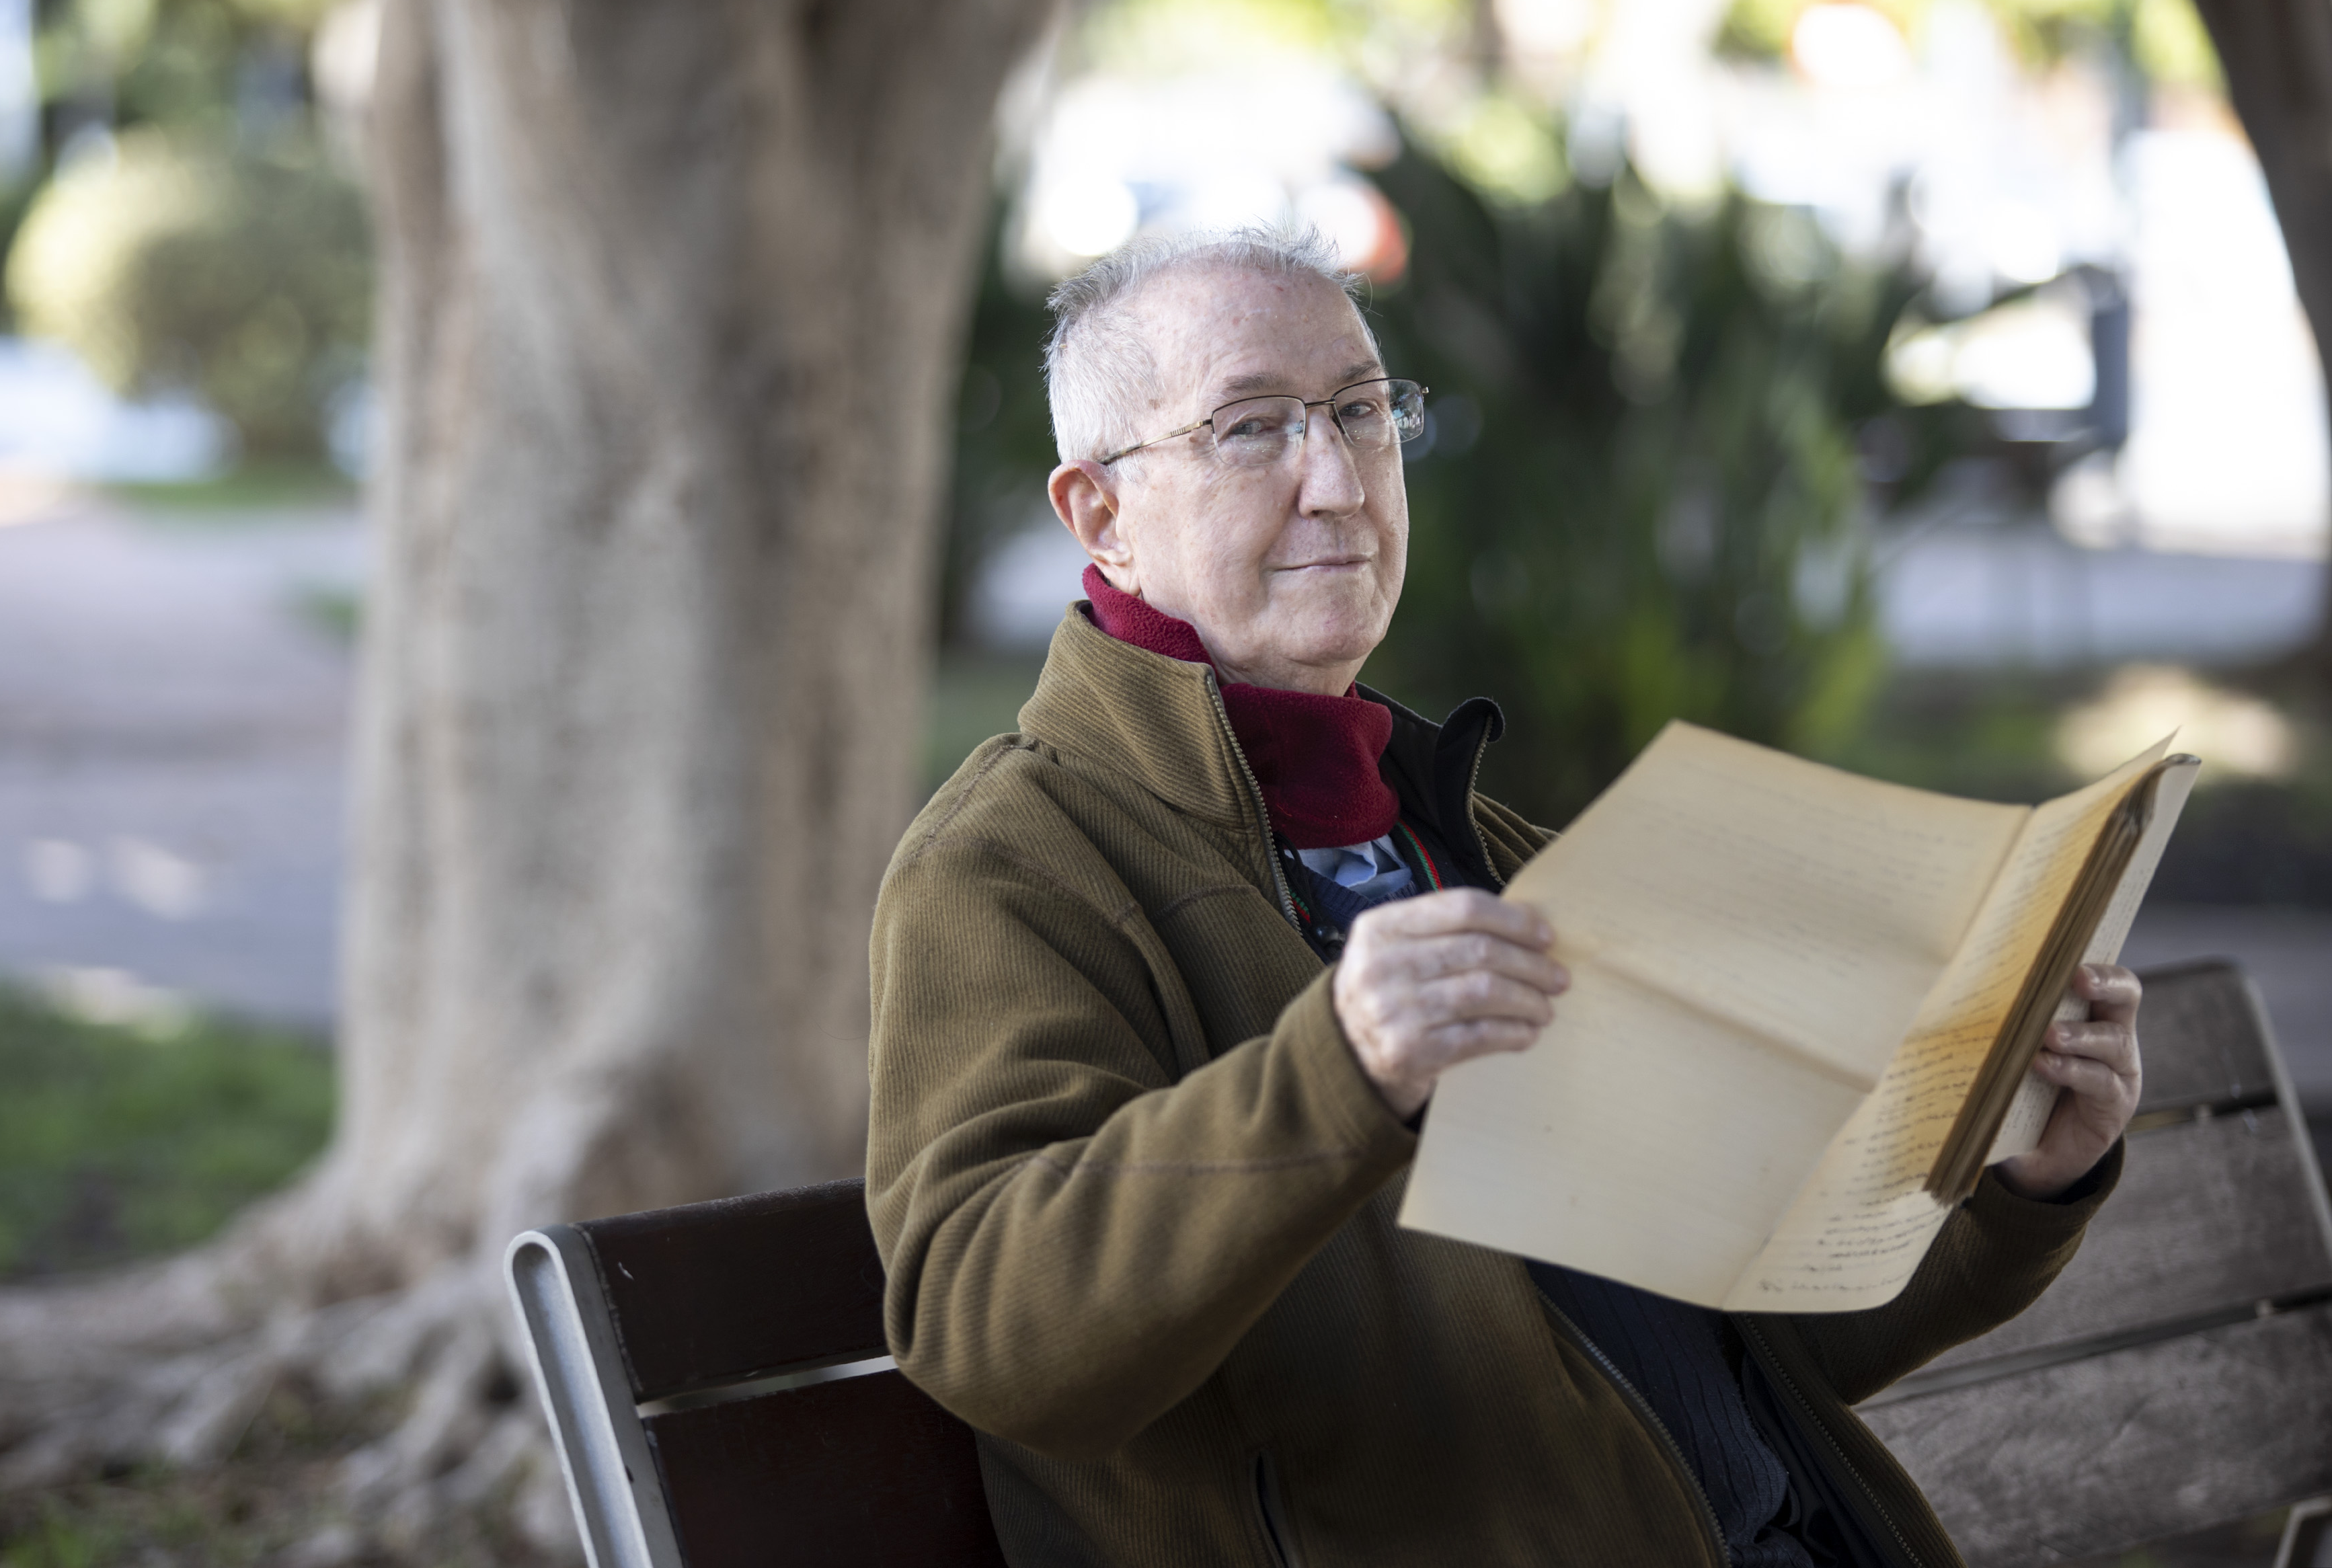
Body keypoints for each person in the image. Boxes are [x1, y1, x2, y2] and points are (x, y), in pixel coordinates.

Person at [864, 227, 2141, 1568]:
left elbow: (1759, 1331)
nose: (1338, 482)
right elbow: (985, 1330)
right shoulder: (1010, 865)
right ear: (1101, 516)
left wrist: (2015, 1175)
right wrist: (1336, 1075)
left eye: (1362, 413)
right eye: (1250, 429)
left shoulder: (1473, 840)